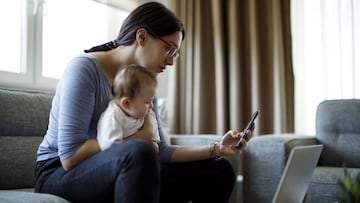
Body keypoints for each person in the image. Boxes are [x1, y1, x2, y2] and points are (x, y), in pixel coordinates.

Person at [34, 2, 254, 203]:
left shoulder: (144, 82)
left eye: (175, 54)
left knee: (219, 171)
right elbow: (70, 156)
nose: (171, 61)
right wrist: (139, 137)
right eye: (169, 49)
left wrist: (217, 148)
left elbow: (161, 150)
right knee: (139, 152)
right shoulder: (84, 69)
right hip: (58, 173)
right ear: (141, 37)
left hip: (122, 164)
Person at [97, 64, 160, 152]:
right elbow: (111, 149)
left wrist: (152, 143)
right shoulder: (113, 117)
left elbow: (152, 137)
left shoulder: (145, 113)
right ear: (126, 103)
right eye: (147, 102)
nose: (151, 106)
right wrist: (143, 138)